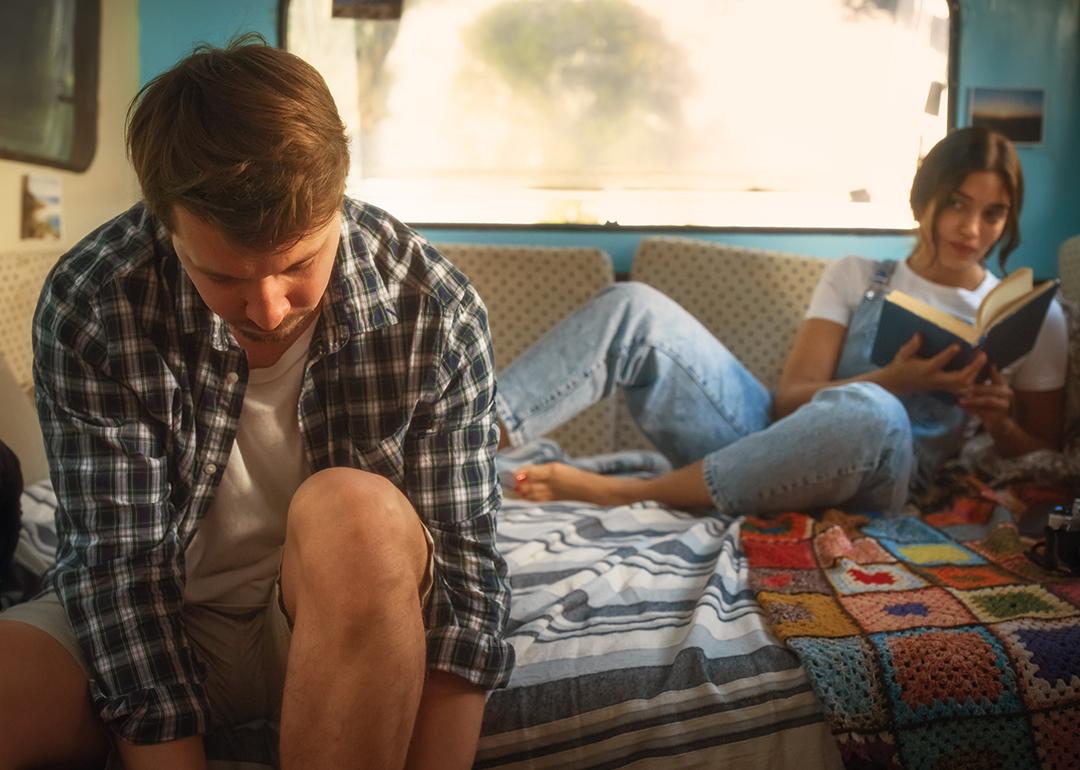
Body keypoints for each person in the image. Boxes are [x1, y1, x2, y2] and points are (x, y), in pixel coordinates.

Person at [0, 38, 512, 770]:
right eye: (225, 277)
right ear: (164, 223)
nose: (268, 310)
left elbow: (464, 573)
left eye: (299, 264)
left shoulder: (434, 305)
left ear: (339, 205)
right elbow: (119, 577)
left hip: (335, 618)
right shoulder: (93, 300)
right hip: (164, 609)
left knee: (357, 517)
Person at [499, 127, 1067, 515]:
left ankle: (631, 493)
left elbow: (1037, 455)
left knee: (875, 412)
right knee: (635, 305)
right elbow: (789, 402)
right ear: (926, 200)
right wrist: (895, 379)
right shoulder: (858, 275)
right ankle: (462, 440)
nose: (972, 228)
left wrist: (997, 422)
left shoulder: (1031, 316)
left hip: (884, 477)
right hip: (767, 445)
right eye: (958, 204)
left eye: (993, 213)